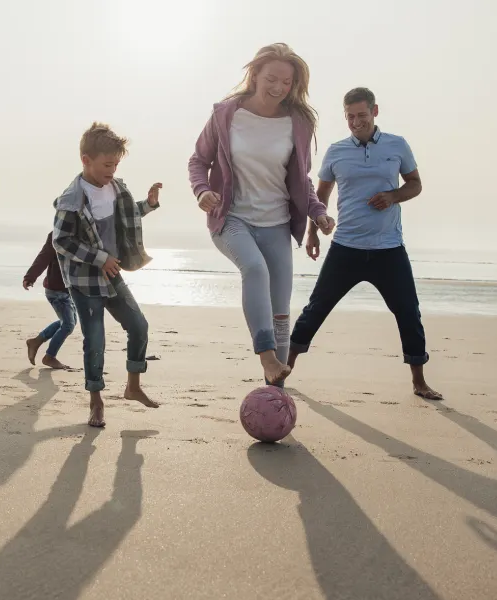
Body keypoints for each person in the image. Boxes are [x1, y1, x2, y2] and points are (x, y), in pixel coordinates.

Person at [188, 42, 335, 387]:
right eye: (272, 78)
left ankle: (276, 388)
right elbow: (198, 161)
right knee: (253, 269)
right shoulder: (225, 114)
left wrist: (318, 213)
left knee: (281, 311)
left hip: (277, 224)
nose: (279, 88)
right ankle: (267, 357)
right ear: (254, 75)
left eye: (287, 82)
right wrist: (203, 191)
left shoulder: (298, 122)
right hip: (231, 217)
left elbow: (301, 179)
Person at [289, 87, 442, 399]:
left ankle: (419, 381)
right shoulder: (336, 151)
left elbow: (415, 184)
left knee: (408, 312)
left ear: (375, 112)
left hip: (389, 249)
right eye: (350, 117)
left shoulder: (397, 145)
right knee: (316, 309)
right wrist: (313, 233)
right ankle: (283, 369)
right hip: (346, 248)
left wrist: (393, 196)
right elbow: (321, 197)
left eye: (361, 115)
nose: (355, 121)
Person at [52, 122, 163, 427]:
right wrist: (99, 257)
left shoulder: (116, 187)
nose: (112, 170)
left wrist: (149, 205)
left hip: (112, 275)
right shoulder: (72, 199)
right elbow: (60, 240)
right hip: (85, 281)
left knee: (139, 326)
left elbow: (125, 217)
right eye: (106, 164)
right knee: (95, 341)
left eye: (116, 164)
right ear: (86, 160)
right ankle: (96, 401)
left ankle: (133, 386)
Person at [23, 232, 76, 370]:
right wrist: (30, 277)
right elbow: (43, 257)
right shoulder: (58, 235)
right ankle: (49, 357)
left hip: (69, 290)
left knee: (69, 321)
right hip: (57, 290)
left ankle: (36, 342)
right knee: (68, 325)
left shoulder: (82, 233)